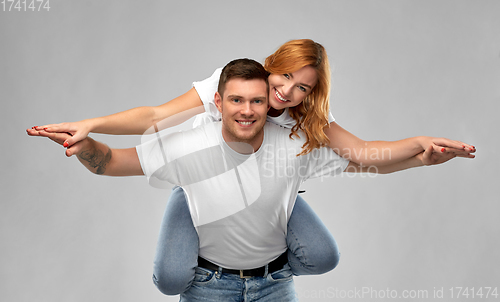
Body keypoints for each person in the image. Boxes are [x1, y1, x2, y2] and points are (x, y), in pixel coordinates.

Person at [27, 39, 475, 295]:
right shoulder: (232, 80)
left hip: (278, 184)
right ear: (267, 69)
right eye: (282, 79)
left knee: (318, 248)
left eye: (301, 88)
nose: (286, 93)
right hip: (200, 178)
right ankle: (200, 196)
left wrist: (421, 149)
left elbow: (361, 156)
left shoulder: (302, 125)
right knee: (171, 273)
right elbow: (153, 117)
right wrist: (90, 126)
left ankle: (268, 232)